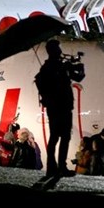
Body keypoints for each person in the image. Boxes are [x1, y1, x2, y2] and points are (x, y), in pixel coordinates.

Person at [35, 38, 82, 178]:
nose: (61, 52)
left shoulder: (51, 67)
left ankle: (56, 166)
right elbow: (77, 78)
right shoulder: (52, 67)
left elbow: (77, 77)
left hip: (58, 106)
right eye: (58, 49)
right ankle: (57, 166)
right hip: (60, 106)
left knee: (58, 137)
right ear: (53, 51)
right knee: (59, 137)